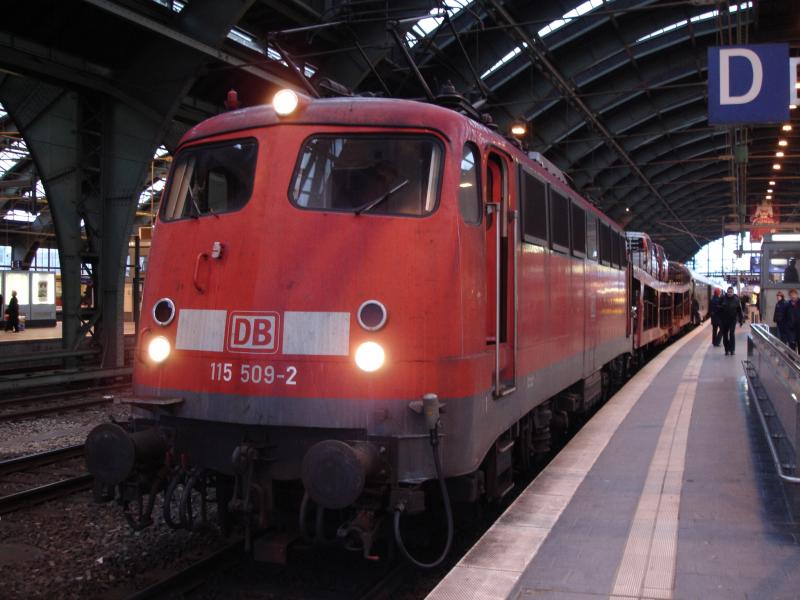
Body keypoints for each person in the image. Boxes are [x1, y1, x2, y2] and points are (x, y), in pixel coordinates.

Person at [718, 286, 744, 355]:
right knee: (725, 335)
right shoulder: (722, 299)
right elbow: (717, 308)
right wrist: (720, 308)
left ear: (733, 292)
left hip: (733, 320)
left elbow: (740, 310)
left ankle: (732, 350)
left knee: (732, 334)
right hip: (724, 320)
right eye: (728, 292)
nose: (729, 293)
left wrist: (741, 320)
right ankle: (727, 349)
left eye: (731, 292)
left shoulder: (736, 300)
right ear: (727, 292)